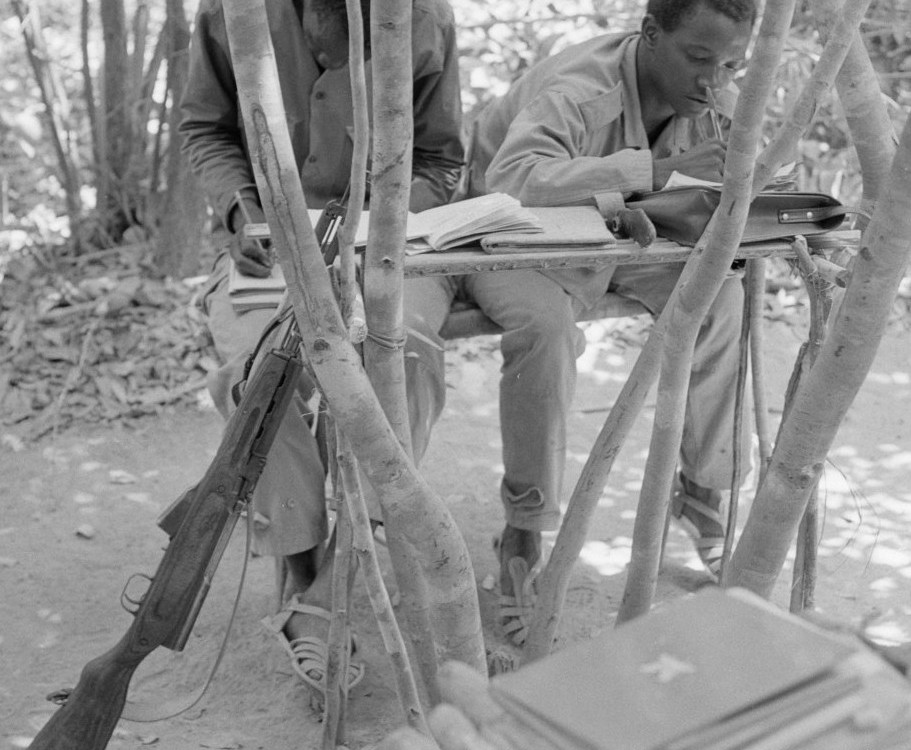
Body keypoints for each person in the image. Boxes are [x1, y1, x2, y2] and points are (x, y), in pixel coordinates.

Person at [402, 0, 757, 644]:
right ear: (650, 35)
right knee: (545, 326)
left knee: (720, 299)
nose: (716, 79)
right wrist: (647, 175)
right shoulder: (582, 89)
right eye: (700, 58)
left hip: (616, 238)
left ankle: (706, 495)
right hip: (506, 234)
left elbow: (695, 194)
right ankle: (525, 529)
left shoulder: (719, 98)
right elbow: (514, 180)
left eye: (733, 62)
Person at [179, 0, 463, 702]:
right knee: (257, 368)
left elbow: (441, 157)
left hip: (390, 245)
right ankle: (302, 567)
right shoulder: (230, 11)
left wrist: (372, 223)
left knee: (410, 354)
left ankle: (344, 559)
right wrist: (245, 210)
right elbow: (205, 130)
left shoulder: (422, 17)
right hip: (263, 245)